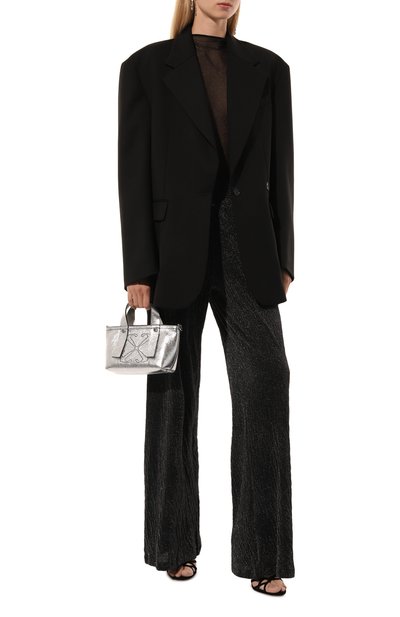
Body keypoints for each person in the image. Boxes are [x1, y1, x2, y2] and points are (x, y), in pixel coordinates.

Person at [117, 0, 295, 596]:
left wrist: (285, 256)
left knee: (266, 383)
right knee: (171, 398)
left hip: (251, 247)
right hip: (173, 251)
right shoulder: (145, 68)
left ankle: (264, 553)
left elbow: (283, 168)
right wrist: (138, 268)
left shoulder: (269, 68)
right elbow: (133, 173)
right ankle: (172, 544)